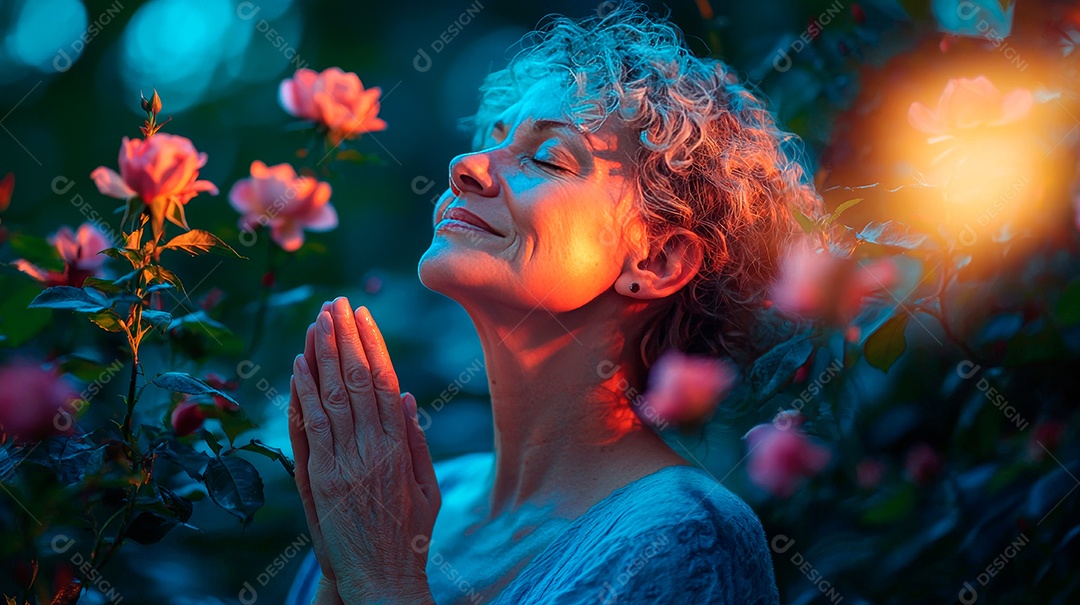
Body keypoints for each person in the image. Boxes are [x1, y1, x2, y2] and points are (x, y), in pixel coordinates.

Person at [286, 4, 820, 604]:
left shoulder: (688, 537)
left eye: (548, 158)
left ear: (658, 261)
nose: (467, 167)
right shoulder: (395, 497)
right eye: (493, 138)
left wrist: (379, 576)